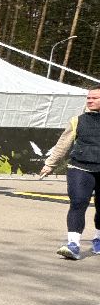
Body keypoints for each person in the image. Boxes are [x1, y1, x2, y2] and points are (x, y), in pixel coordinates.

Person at [39, 86, 100, 259]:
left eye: (95, 98)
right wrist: (50, 164)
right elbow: (63, 144)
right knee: (78, 202)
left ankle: (98, 239)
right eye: (88, 98)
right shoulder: (77, 120)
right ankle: (73, 245)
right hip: (80, 168)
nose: (90, 100)